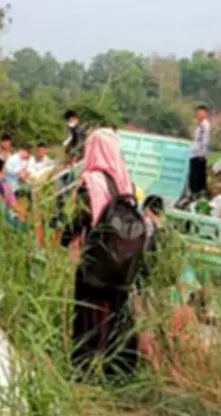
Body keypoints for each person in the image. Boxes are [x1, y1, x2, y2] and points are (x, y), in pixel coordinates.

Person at [59, 128, 139, 380]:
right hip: (121, 262)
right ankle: (115, 368)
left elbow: (79, 220)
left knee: (90, 314)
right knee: (115, 311)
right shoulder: (125, 182)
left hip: (95, 261)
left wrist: (63, 241)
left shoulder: (90, 180)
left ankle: (88, 368)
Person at [175, 105, 211, 210]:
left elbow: (205, 140)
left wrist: (203, 154)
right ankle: (194, 196)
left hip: (199, 155)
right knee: (193, 177)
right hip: (195, 154)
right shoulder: (199, 125)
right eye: (197, 113)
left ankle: (197, 197)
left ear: (205, 113)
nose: (198, 115)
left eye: (200, 113)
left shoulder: (205, 125)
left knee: (197, 177)